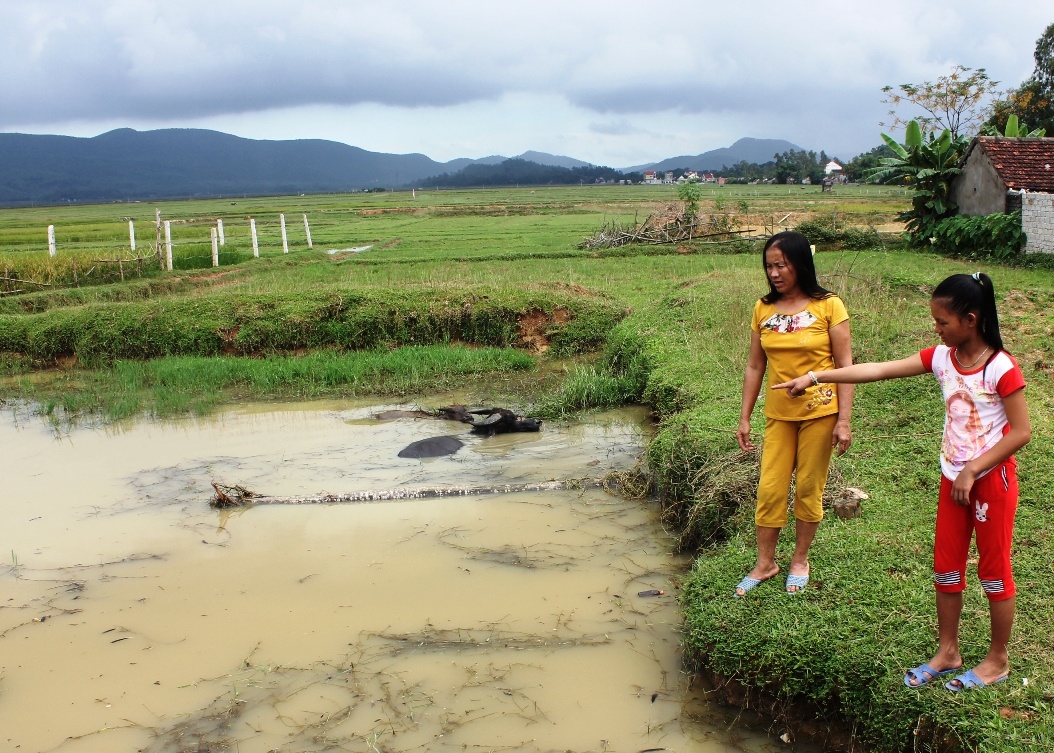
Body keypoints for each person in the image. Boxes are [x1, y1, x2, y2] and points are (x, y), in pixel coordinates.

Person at [772, 272, 1030, 692]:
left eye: (943, 322)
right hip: (953, 479)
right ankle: (948, 651)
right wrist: (817, 377)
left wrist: (973, 469)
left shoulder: (1000, 367)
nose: (937, 328)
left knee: (994, 572)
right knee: (946, 570)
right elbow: (878, 370)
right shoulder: (942, 357)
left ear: (970, 319)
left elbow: (1021, 432)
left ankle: (997, 660)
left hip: (990, 483)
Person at [734, 231, 854, 597]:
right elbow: (755, 367)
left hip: (820, 412)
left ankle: (800, 559)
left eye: (781, 264)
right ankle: (766, 563)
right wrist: (744, 416)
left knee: (808, 487)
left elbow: (845, 364)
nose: (774, 273)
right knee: (769, 489)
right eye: (769, 266)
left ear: (800, 264)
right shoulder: (763, 309)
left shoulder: (829, 305)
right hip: (779, 416)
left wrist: (844, 420)